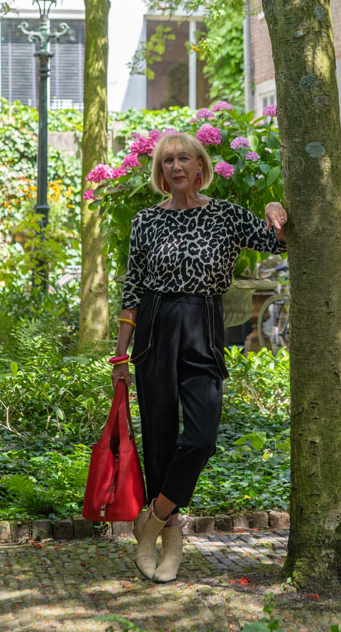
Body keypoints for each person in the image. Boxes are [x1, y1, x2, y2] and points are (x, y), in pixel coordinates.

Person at [110, 131, 288, 583]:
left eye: (183, 158)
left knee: (203, 436)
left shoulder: (226, 215)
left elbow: (277, 241)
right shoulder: (146, 221)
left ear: (200, 167)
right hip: (154, 328)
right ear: (160, 172)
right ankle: (170, 540)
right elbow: (133, 288)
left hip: (204, 329)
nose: (175, 167)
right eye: (167, 160)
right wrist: (120, 358)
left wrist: (274, 211)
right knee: (159, 437)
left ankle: (151, 519)